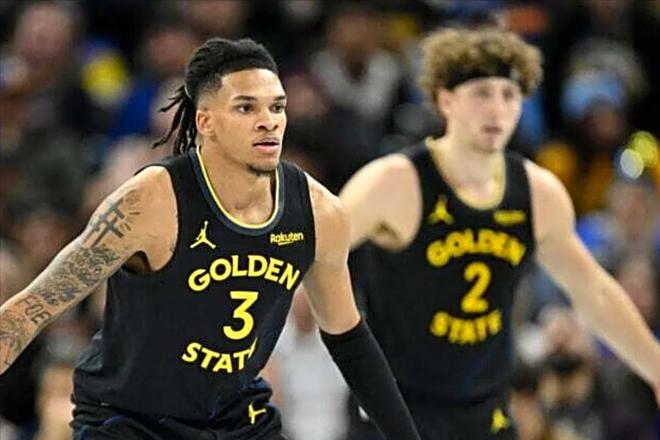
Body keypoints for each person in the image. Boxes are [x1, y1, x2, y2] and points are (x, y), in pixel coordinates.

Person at [0, 38, 421, 440]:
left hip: (235, 419)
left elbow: (349, 341)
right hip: (130, 420)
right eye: (246, 107)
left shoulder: (318, 212)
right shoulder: (150, 202)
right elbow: (32, 309)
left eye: (277, 107)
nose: (268, 121)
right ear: (206, 122)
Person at [339, 26, 660, 439]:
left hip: (484, 413)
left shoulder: (537, 192)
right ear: (445, 99)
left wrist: (656, 368)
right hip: (394, 413)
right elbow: (310, 254)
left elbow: (594, 292)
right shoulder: (394, 182)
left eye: (509, 95)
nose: (497, 109)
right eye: (481, 94)